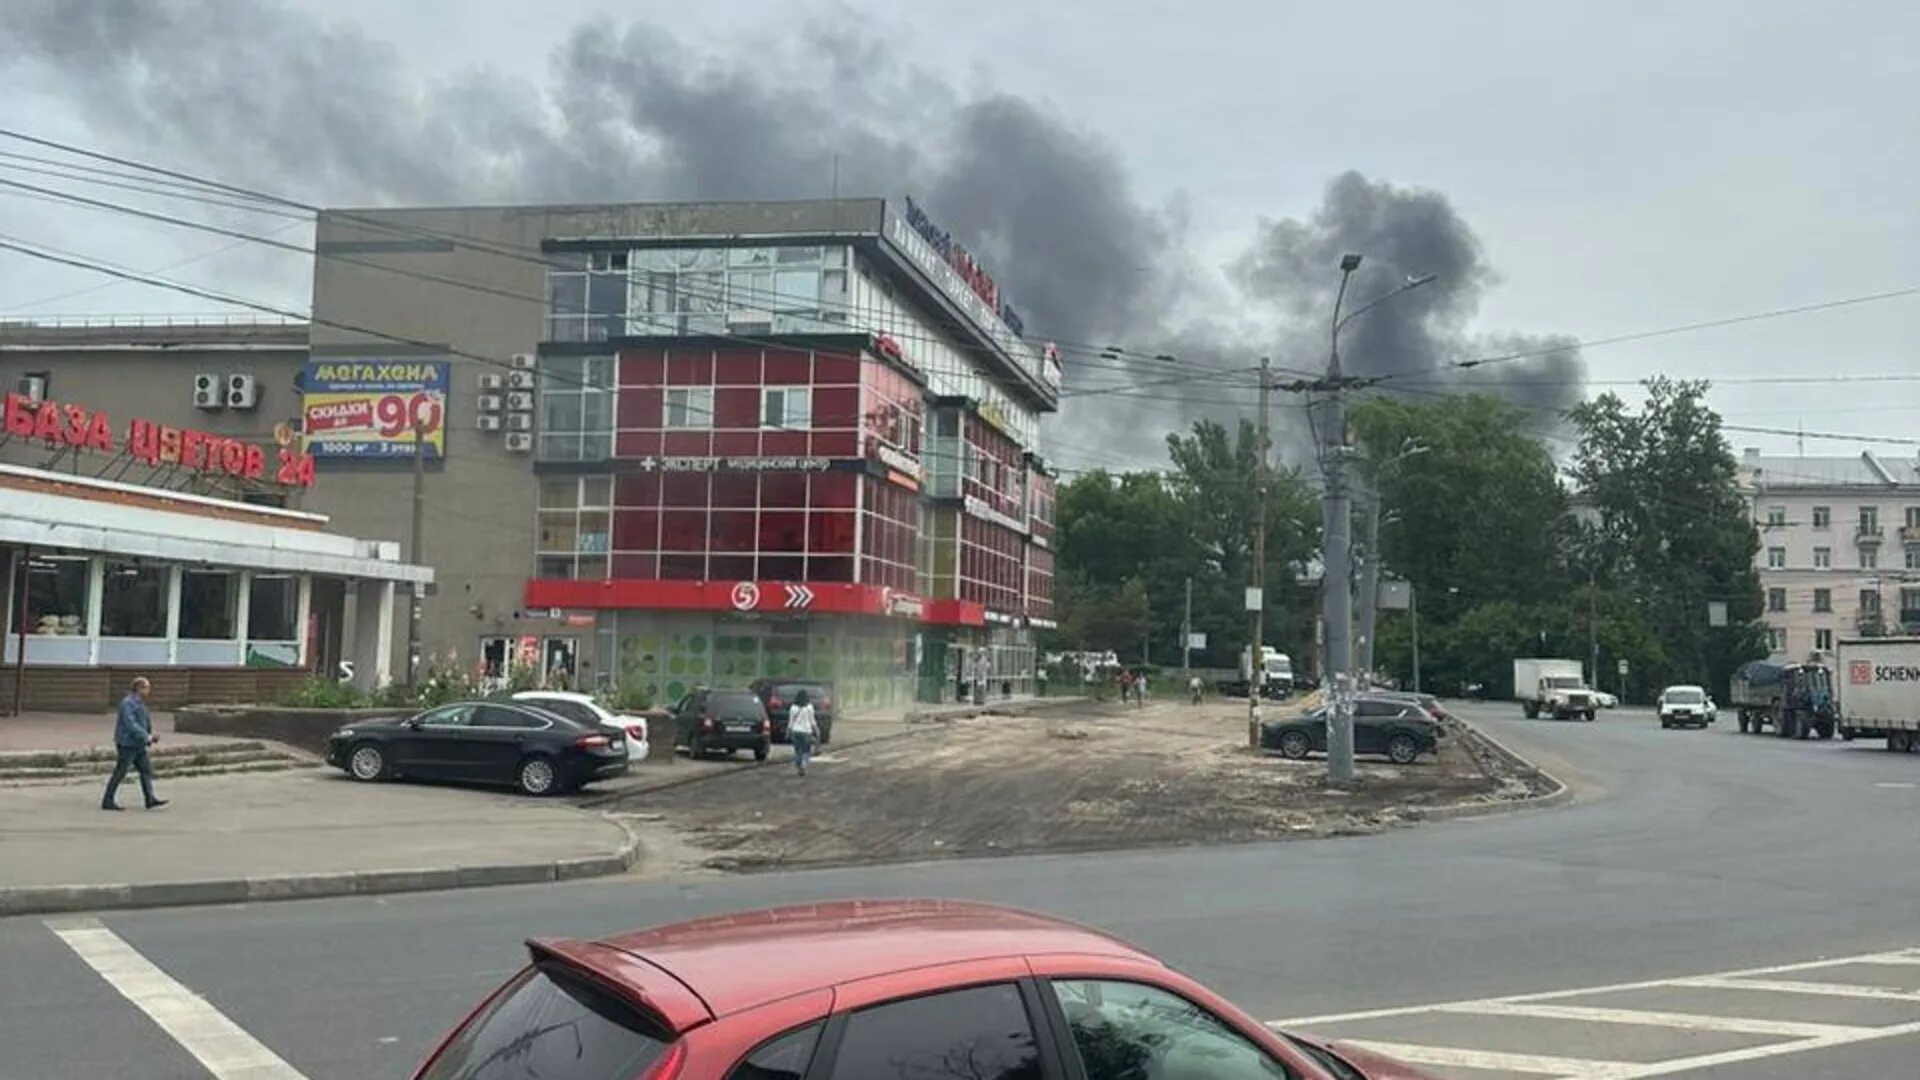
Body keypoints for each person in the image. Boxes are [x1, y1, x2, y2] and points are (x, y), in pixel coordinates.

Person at [102, 676, 167, 811]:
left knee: (146, 770)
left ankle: (149, 799)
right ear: (138, 688)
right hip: (127, 744)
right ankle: (107, 800)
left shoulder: (140, 703)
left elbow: (144, 722)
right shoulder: (128, 703)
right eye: (146, 687)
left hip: (138, 744)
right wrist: (146, 736)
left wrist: (149, 736)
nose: (149, 690)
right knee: (120, 772)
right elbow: (130, 724)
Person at [787, 689, 819, 777]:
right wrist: (816, 730)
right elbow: (812, 721)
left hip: (796, 731)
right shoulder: (809, 707)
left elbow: (790, 722)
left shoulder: (793, 707)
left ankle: (798, 765)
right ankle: (803, 765)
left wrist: (788, 731)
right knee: (806, 751)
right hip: (807, 732)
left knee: (797, 751)